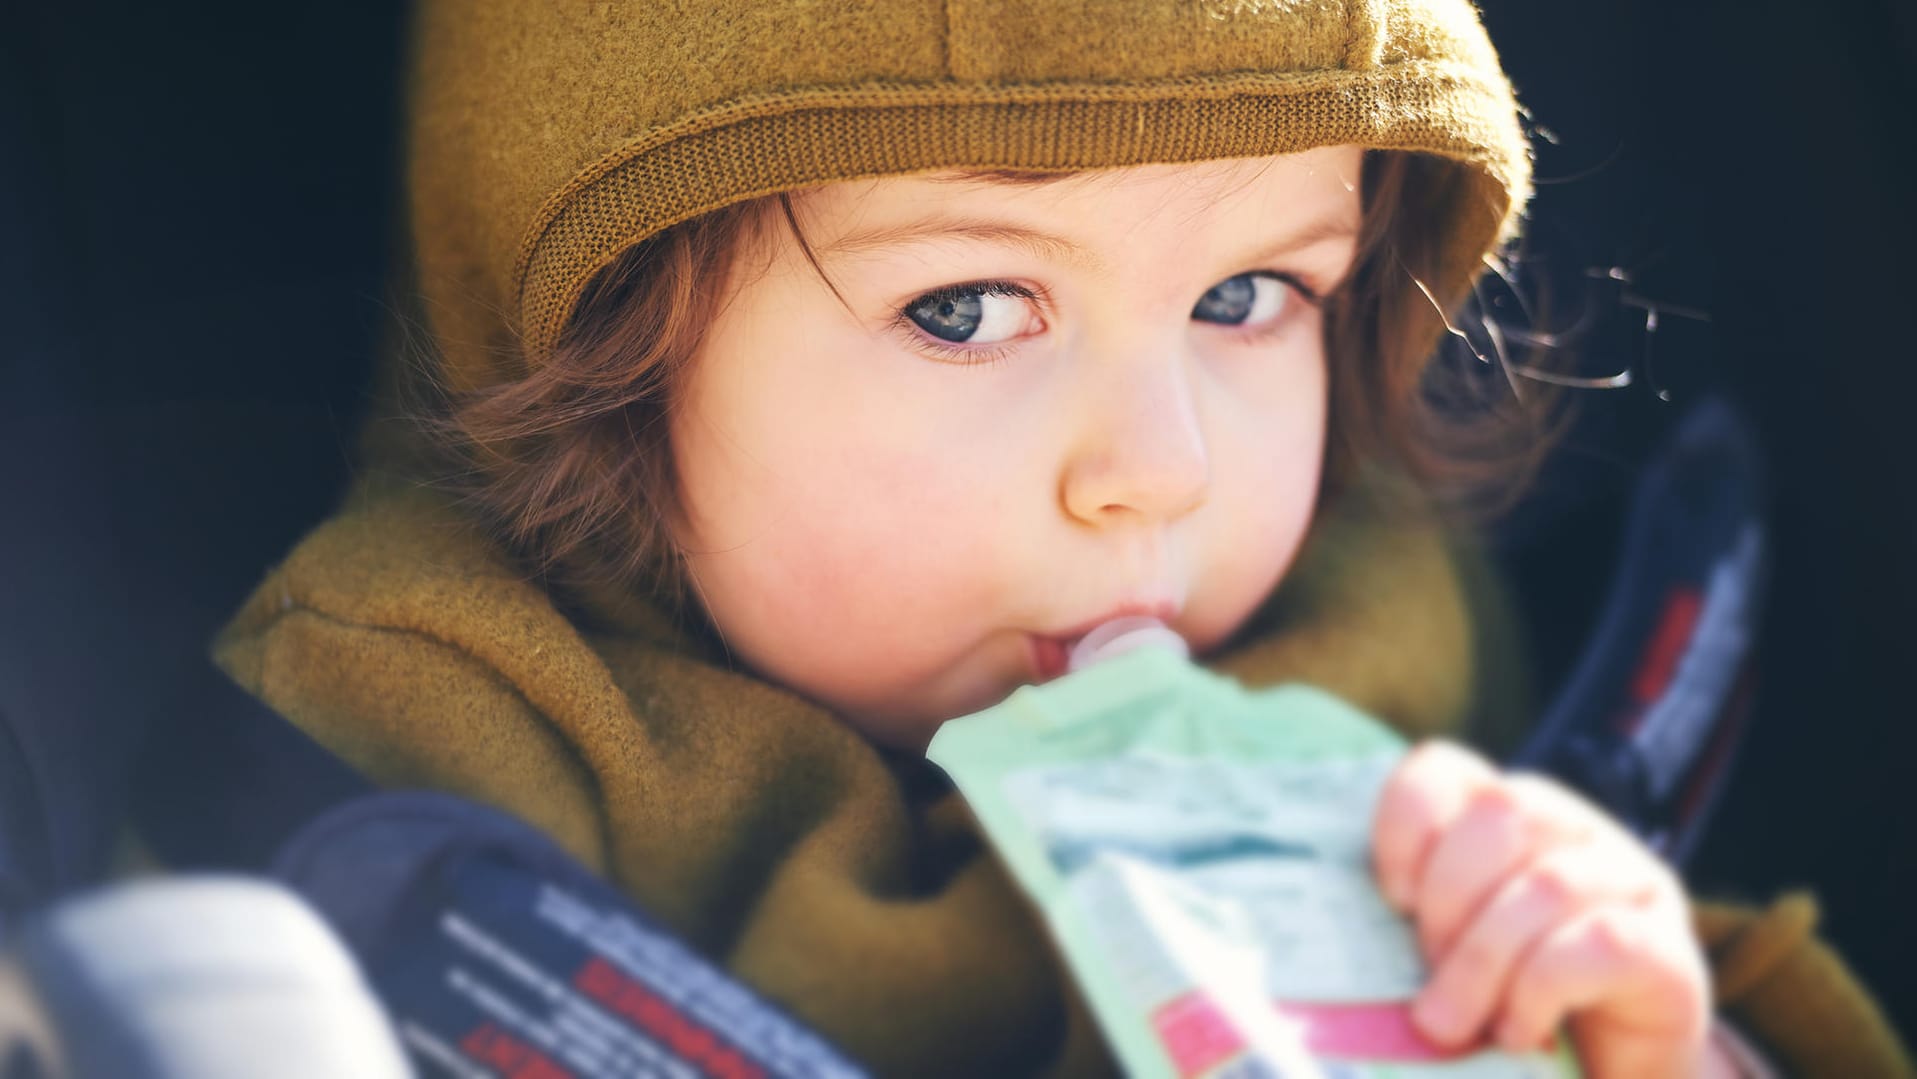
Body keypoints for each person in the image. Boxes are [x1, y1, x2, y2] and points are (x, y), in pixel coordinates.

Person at [210, 0, 1909, 1074]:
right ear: (594, 357)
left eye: (1248, 299)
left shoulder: (1382, 661)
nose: (1155, 474)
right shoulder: (410, 761)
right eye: (964, 307)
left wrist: (1656, 1043)